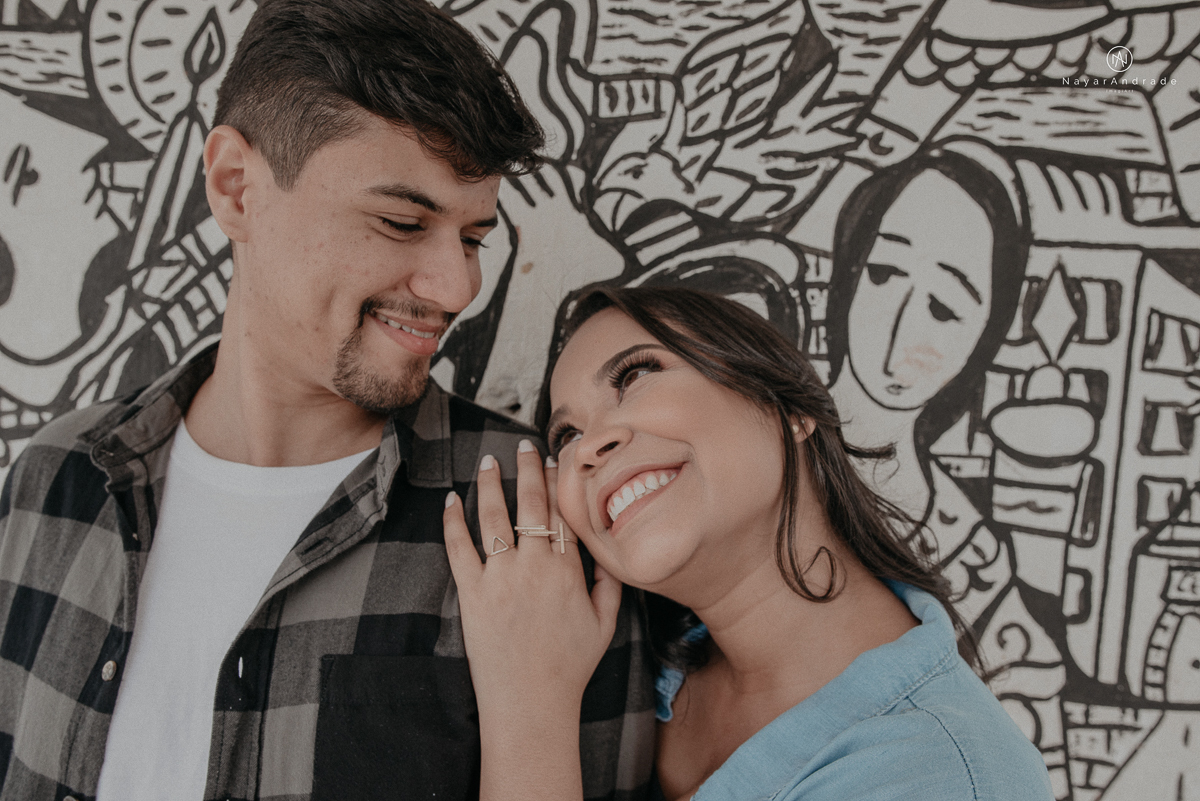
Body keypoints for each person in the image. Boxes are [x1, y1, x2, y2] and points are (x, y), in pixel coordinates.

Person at [0, 2, 653, 800]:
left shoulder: (535, 522)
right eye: (402, 221)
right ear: (236, 188)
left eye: (473, 239)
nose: (458, 287)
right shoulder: (52, 483)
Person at [444, 286, 1054, 800]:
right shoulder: (627, 662)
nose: (588, 447)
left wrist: (530, 707)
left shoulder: (944, 774)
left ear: (789, 407)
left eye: (636, 375)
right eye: (565, 436)